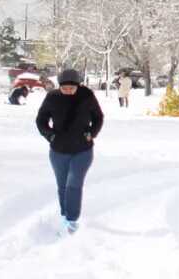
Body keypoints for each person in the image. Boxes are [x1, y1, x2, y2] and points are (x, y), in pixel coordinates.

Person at [35, 69, 104, 234]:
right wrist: (50, 135)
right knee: (62, 185)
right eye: (64, 88)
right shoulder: (52, 97)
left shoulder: (86, 96)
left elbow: (98, 117)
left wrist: (92, 133)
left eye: (71, 88)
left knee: (73, 183)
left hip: (82, 150)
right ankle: (65, 215)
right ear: (59, 86)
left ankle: (72, 221)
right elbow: (41, 120)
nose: (68, 91)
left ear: (78, 86)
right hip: (58, 150)